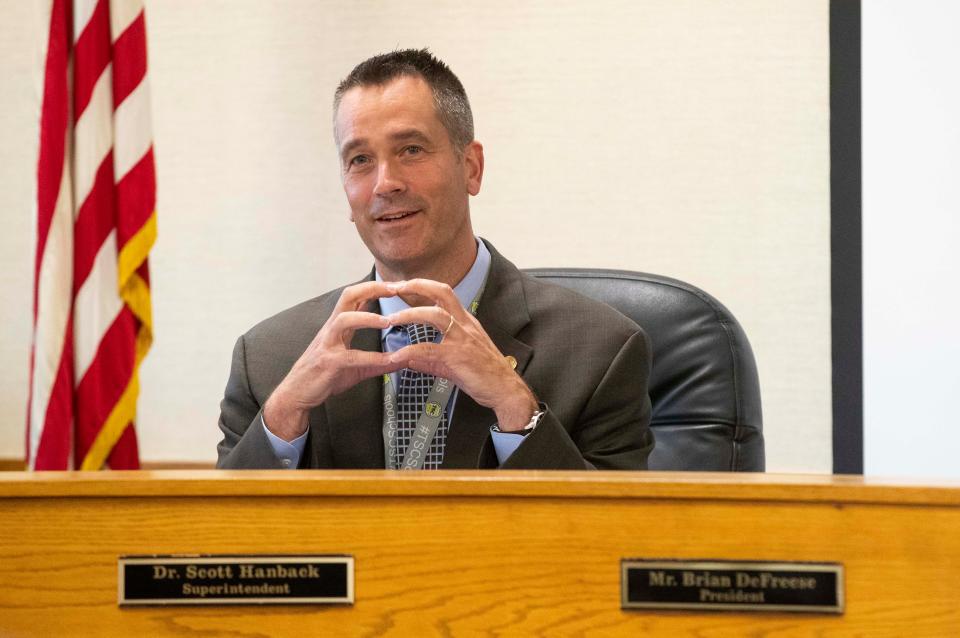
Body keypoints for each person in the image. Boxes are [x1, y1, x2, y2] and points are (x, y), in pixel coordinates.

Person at [216, 49, 653, 470]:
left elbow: (611, 538)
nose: (385, 184)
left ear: (471, 168)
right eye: (360, 159)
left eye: (411, 150)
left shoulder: (601, 351)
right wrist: (283, 417)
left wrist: (515, 406)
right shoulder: (269, 359)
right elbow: (223, 537)